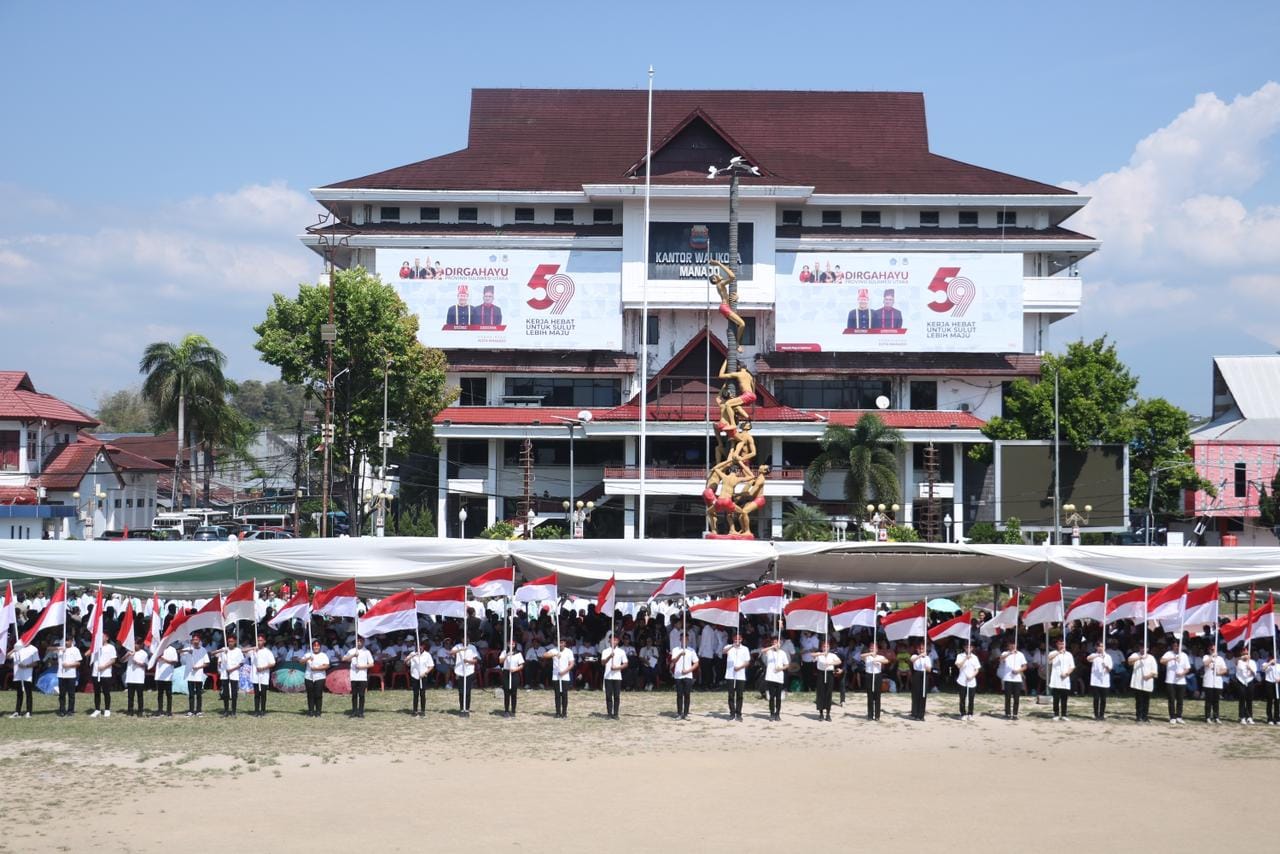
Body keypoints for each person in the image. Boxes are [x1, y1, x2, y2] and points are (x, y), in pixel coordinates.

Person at [1160, 639, 1190, 724]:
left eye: (1178, 646)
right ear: (1172, 646)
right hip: (1170, 680)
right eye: (1175, 646)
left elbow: (1187, 668)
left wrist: (1182, 674)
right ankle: (1172, 716)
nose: (1176, 647)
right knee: (1171, 699)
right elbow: (1161, 661)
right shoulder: (1168, 654)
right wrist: (1172, 658)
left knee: (1180, 700)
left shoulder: (1184, 655)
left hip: (1181, 681)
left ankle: (1179, 716)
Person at [670, 632, 699, 720]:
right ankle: (679, 713)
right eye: (682, 639)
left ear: (687, 640)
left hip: (688, 675)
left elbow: (696, 663)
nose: (684, 641)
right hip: (678, 675)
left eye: (685, 639)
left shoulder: (691, 650)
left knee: (687, 694)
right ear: (680, 640)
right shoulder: (675, 649)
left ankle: (685, 713)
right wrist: (680, 654)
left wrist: (688, 670)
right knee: (679, 694)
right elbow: (673, 661)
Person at [343, 637, 374, 719]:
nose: (359, 642)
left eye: (361, 641)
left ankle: (360, 711)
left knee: (361, 695)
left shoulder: (366, 652)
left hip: (362, 676)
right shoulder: (352, 651)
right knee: (354, 695)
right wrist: (353, 655)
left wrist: (362, 667)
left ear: (363, 642)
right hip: (353, 676)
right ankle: (354, 711)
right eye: (358, 641)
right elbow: (344, 659)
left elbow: (371, 664)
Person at [544, 638, 575, 718]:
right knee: (557, 695)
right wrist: (554, 655)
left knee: (564, 695)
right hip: (556, 676)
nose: (560, 644)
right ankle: (558, 712)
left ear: (565, 643)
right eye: (559, 642)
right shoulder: (554, 650)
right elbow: (544, 655)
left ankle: (564, 712)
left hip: (565, 676)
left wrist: (564, 671)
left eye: (562, 642)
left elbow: (571, 664)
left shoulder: (569, 651)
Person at [723, 632, 751, 721]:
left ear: (741, 639)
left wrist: (739, 667)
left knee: (740, 695)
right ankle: (732, 713)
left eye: (739, 639)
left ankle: (738, 713)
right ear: (733, 639)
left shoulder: (745, 649)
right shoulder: (729, 647)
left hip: (740, 675)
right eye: (735, 639)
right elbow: (723, 652)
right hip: (730, 675)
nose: (737, 640)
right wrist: (732, 646)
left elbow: (747, 662)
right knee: (731, 695)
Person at [404, 640, 435, 718]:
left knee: (422, 694)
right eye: (417, 646)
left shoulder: (427, 655)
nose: (419, 648)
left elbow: (431, 666)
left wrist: (425, 673)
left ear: (423, 646)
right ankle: (415, 710)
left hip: (423, 676)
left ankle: (423, 710)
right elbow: (406, 662)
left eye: (420, 646)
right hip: (414, 676)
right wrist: (412, 656)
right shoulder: (412, 653)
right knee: (415, 694)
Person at [763, 635, 790, 721]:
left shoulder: (782, 653)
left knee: (778, 697)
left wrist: (780, 668)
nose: (775, 644)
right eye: (774, 642)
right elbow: (762, 651)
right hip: (770, 677)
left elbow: (787, 665)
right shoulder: (769, 652)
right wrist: (772, 647)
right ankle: (771, 713)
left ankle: (777, 713)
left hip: (779, 677)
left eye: (777, 642)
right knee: (771, 697)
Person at [814, 638, 841, 722]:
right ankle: (821, 713)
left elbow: (839, 661)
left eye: (827, 646)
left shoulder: (832, 655)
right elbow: (812, 655)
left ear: (829, 647)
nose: (825, 648)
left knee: (828, 693)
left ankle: (828, 714)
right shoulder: (819, 654)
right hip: (821, 674)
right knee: (821, 693)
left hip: (829, 674)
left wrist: (830, 663)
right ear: (822, 647)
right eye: (824, 646)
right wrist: (822, 653)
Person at [1047, 638, 1075, 721]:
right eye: (1060, 644)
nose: (1061, 645)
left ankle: (1064, 714)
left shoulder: (1069, 654)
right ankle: (1056, 713)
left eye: (1062, 644)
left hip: (1065, 679)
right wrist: (1058, 653)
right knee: (1056, 698)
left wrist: (1067, 673)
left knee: (1064, 698)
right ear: (1057, 644)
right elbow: (1049, 659)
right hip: (1056, 679)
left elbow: (1072, 666)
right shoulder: (1053, 653)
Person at [10, 638, 38, 718]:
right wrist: (14, 650)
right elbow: (8, 656)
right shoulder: (18, 648)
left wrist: (26, 666)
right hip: (18, 675)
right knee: (19, 693)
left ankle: (29, 711)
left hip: (27, 675)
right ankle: (17, 711)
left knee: (28, 693)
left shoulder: (34, 649)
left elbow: (36, 663)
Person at [183, 634, 210, 717]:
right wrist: (187, 651)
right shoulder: (189, 648)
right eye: (194, 640)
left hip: (198, 675)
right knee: (191, 694)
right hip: (190, 675)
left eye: (197, 640)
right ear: (191, 641)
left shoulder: (203, 650)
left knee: (198, 694)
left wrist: (198, 667)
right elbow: (178, 651)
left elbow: (207, 663)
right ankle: (191, 710)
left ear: (199, 641)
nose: (195, 641)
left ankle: (198, 710)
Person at [90, 637, 118, 718]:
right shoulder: (95, 646)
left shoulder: (111, 647)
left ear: (107, 638)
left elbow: (113, 660)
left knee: (106, 692)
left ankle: (107, 709)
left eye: (103, 636)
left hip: (106, 673)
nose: (101, 637)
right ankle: (97, 709)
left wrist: (104, 666)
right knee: (96, 692)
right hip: (96, 673)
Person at [216, 635, 244, 717]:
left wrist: (232, 669)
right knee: (225, 693)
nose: (230, 643)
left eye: (232, 641)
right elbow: (219, 660)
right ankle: (226, 710)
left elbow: (241, 663)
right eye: (229, 641)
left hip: (234, 673)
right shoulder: (224, 650)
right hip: (225, 674)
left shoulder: (238, 651)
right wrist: (221, 660)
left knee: (234, 693)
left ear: (235, 642)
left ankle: (233, 711)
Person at [451, 637, 479, 717]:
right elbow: (451, 652)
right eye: (464, 639)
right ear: (462, 640)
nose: (466, 640)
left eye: (467, 639)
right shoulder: (457, 646)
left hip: (469, 671)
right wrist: (460, 650)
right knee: (461, 691)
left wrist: (468, 661)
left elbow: (475, 660)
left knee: (467, 691)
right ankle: (461, 708)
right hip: (459, 671)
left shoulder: (472, 647)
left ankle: (467, 708)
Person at [1128, 646, 1157, 722]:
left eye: (1145, 648)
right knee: (1139, 700)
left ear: (1147, 649)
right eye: (1141, 648)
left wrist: (1149, 676)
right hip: (1138, 682)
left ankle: (1145, 716)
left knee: (1146, 700)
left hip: (1147, 682)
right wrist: (1139, 658)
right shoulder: (1135, 655)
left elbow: (1155, 672)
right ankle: (1138, 716)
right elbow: (1129, 661)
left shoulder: (1151, 658)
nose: (1143, 649)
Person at [999, 640, 1027, 720]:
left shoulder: (1020, 654)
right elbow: (1001, 659)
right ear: (1008, 646)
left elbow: (1025, 666)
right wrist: (1009, 653)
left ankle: (1015, 714)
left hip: (1017, 679)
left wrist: (1018, 670)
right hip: (1007, 678)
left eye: (1013, 644)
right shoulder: (1005, 653)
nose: (1012, 646)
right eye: (1010, 645)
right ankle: (1007, 713)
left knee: (1016, 697)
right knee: (1007, 697)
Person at [301, 639, 330, 717]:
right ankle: (311, 711)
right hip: (309, 677)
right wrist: (308, 658)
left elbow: (327, 665)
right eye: (314, 646)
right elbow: (301, 662)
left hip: (320, 677)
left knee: (318, 694)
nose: (316, 647)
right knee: (310, 695)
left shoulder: (323, 655)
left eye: (317, 646)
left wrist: (317, 668)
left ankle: (318, 711)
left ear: (320, 647)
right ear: (312, 647)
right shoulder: (308, 654)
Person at [601, 635, 627, 719]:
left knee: (616, 696)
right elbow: (603, 663)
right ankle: (609, 713)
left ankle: (616, 714)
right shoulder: (605, 651)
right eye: (612, 640)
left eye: (615, 640)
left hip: (617, 676)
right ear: (609, 641)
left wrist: (617, 668)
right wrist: (609, 656)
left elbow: (625, 664)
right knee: (608, 695)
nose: (614, 642)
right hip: (608, 676)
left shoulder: (621, 651)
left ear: (618, 641)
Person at [861, 642, 889, 721]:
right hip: (869, 675)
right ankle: (870, 715)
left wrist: (878, 660)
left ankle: (877, 715)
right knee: (870, 695)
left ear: (877, 649)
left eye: (874, 648)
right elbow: (861, 656)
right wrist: (870, 653)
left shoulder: (880, 656)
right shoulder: (867, 657)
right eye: (871, 648)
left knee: (877, 696)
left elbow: (886, 661)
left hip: (877, 676)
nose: (873, 649)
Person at [55, 637, 82, 717]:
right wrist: (60, 648)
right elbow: (49, 648)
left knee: (71, 694)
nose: (66, 643)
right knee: (62, 694)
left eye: (67, 641)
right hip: (61, 674)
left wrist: (69, 665)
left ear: (71, 641)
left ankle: (70, 710)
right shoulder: (60, 648)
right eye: (65, 641)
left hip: (71, 675)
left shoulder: (75, 650)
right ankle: (62, 710)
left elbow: (78, 663)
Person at [250, 633, 275, 717]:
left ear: (264, 641)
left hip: (264, 675)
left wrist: (263, 668)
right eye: (258, 640)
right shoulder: (253, 651)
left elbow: (272, 663)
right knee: (256, 694)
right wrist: (253, 648)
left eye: (260, 640)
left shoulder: (267, 652)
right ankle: (256, 710)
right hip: (255, 675)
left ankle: (263, 710)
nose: (259, 642)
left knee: (263, 694)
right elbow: (242, 650)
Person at [1086, 641, 1112, 720]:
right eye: (1099, 646)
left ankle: (1102, 714)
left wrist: (1106, 665)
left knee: (1103, 699)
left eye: (1102, 646)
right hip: (1095, 680)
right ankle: (1096, 714)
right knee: (1096, 698)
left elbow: (1110, 669)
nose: (1101, 648)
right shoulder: (1094, 655)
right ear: (1096, 647)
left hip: (1104, 681)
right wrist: (1098, 655)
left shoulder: (1107, 657)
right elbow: (1088, 659)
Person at [955, 643, 981, 721]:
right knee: (962, 698)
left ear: (972, 648)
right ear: (964, 647)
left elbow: (977, 669)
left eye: (970, 647)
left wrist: (972, 676)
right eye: (967, 647)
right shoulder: (960, 656)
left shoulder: (975, 657)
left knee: (971, 698)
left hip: (971, 681)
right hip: (962, 680)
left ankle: (970, 713)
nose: (968, 648)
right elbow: (958, 665)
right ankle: (963, 713)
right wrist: (966, 658)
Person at [1202, 644, 1227, 724]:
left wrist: (1219, 672)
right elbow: (1205, 664)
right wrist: (1212, 656)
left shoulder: (1220, 659)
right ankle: (1207, 717)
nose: (1212, 650)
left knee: (1216, 701)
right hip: (1208, 682)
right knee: (1208, 701)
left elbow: (1225, 669)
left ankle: (1216, 717)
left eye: (1214, 649)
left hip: (1217, 682)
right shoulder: (1206, 657)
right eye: (1211, 649)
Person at [497, 639, 522, 717]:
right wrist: (507, 655)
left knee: (514, 693)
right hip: (506, 673)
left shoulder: (518, 654)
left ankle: (513, 710)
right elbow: (500, 661)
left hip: (514, 673)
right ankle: (506, 710)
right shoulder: (504, 652)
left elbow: (521, 665)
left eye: (513, 644)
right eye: (510, 644)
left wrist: (515, 669)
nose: (511, 645)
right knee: (506, 692)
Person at [153, 640, 178, 717]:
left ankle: (169, 711)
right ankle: (160, 710)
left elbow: (175, 662)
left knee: (169, 694)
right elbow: (153, 660)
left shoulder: (172, 649)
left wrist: (165, 660)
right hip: (159, 675)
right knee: (160, 694)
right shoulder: (158, 649)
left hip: (168, 675)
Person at [909, 641, 932, 721]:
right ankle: (914, 713)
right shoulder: (915, 655)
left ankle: (921, 714)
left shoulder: (927, 658)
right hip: (916, 674)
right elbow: (912, 660)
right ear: (917, 649)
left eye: (923, 649)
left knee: (923, 694)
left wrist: (927, 667)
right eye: (920, 649)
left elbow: (929, 669)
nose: (921, 650)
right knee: (916, 694)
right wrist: (920, 656)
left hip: (924, 674)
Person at [1235, 647, 1258, 724]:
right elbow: (1235, 662)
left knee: (1249, 700)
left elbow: (1254, 673)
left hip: (1249, 680)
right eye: (1244, 653)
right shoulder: (1239, 661)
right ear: (1241, 654)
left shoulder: (1252, 662)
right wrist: (1243, 658)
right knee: (1242, 699)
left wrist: (1250, 668)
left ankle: (1249, 717)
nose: (1245, 655)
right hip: (1241, 681)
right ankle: (1242, 717)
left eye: (1247, 653)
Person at [1264, 651, 1280, 725]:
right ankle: (1269, 718)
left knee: (1277, 701)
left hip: (1277, 683)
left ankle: (1277, 718)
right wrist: (1270, 663)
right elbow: (1263, 669)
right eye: (1272, 658)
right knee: (1270, 701)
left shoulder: (1279, 665)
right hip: (1269, 683)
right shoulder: (1266, 664)